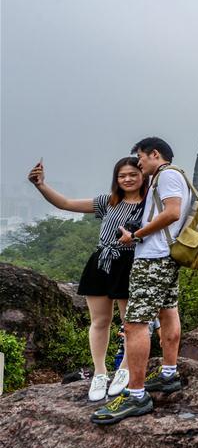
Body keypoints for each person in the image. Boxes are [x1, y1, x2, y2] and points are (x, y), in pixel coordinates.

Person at [28, 156, 147, 401]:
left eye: (133, 174)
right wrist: (41, 185)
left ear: (143, 176)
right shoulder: (109, 201)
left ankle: (124, 368)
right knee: (99, 321)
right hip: (102, 260)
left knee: (130, 323)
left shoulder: (149, 205)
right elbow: (66, 203)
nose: (127, 179)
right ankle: (100, 372)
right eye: (122, 175)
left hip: (130, 263)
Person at [91, 137, 192, 425]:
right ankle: (168, 374)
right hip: (167, 257)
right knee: (168, 310)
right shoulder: (174, 176)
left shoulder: (167, 176)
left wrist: (136, 235)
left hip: (153, 258)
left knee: (135, 324)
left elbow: (172, 213)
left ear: (154, 154)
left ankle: (136, 395)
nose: (138, 163)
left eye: (140, 158)